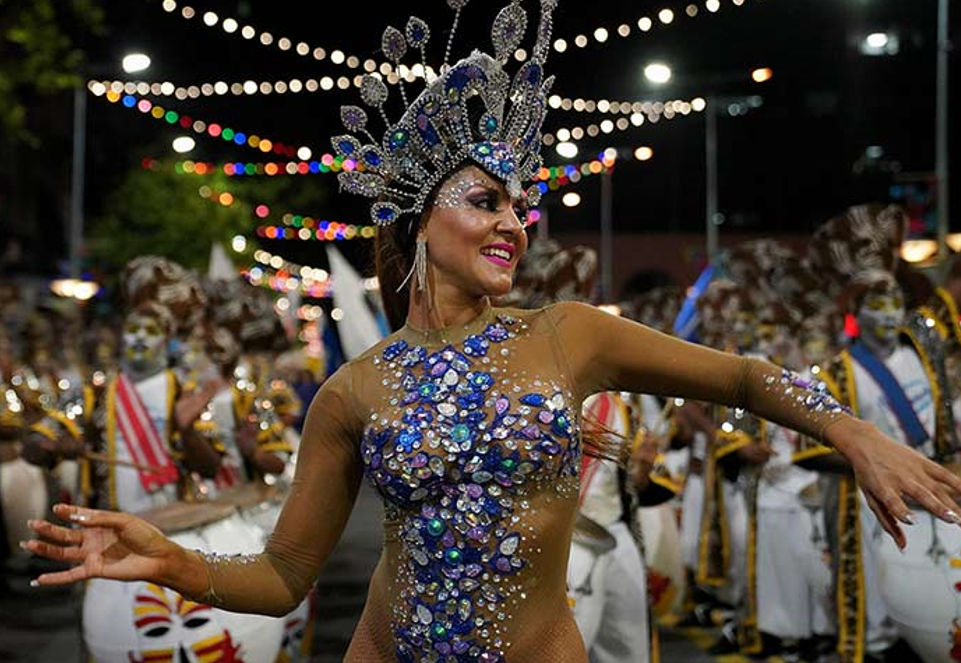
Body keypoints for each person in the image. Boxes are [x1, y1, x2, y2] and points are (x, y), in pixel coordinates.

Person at [21, 4, 961, 663]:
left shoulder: (569, 334)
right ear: (418, 221)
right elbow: (282, 573)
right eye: (485, 201)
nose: (514, 221)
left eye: (520, 203)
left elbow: (748, 378)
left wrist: (853, 430)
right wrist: (173, 558)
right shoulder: (355, 388)